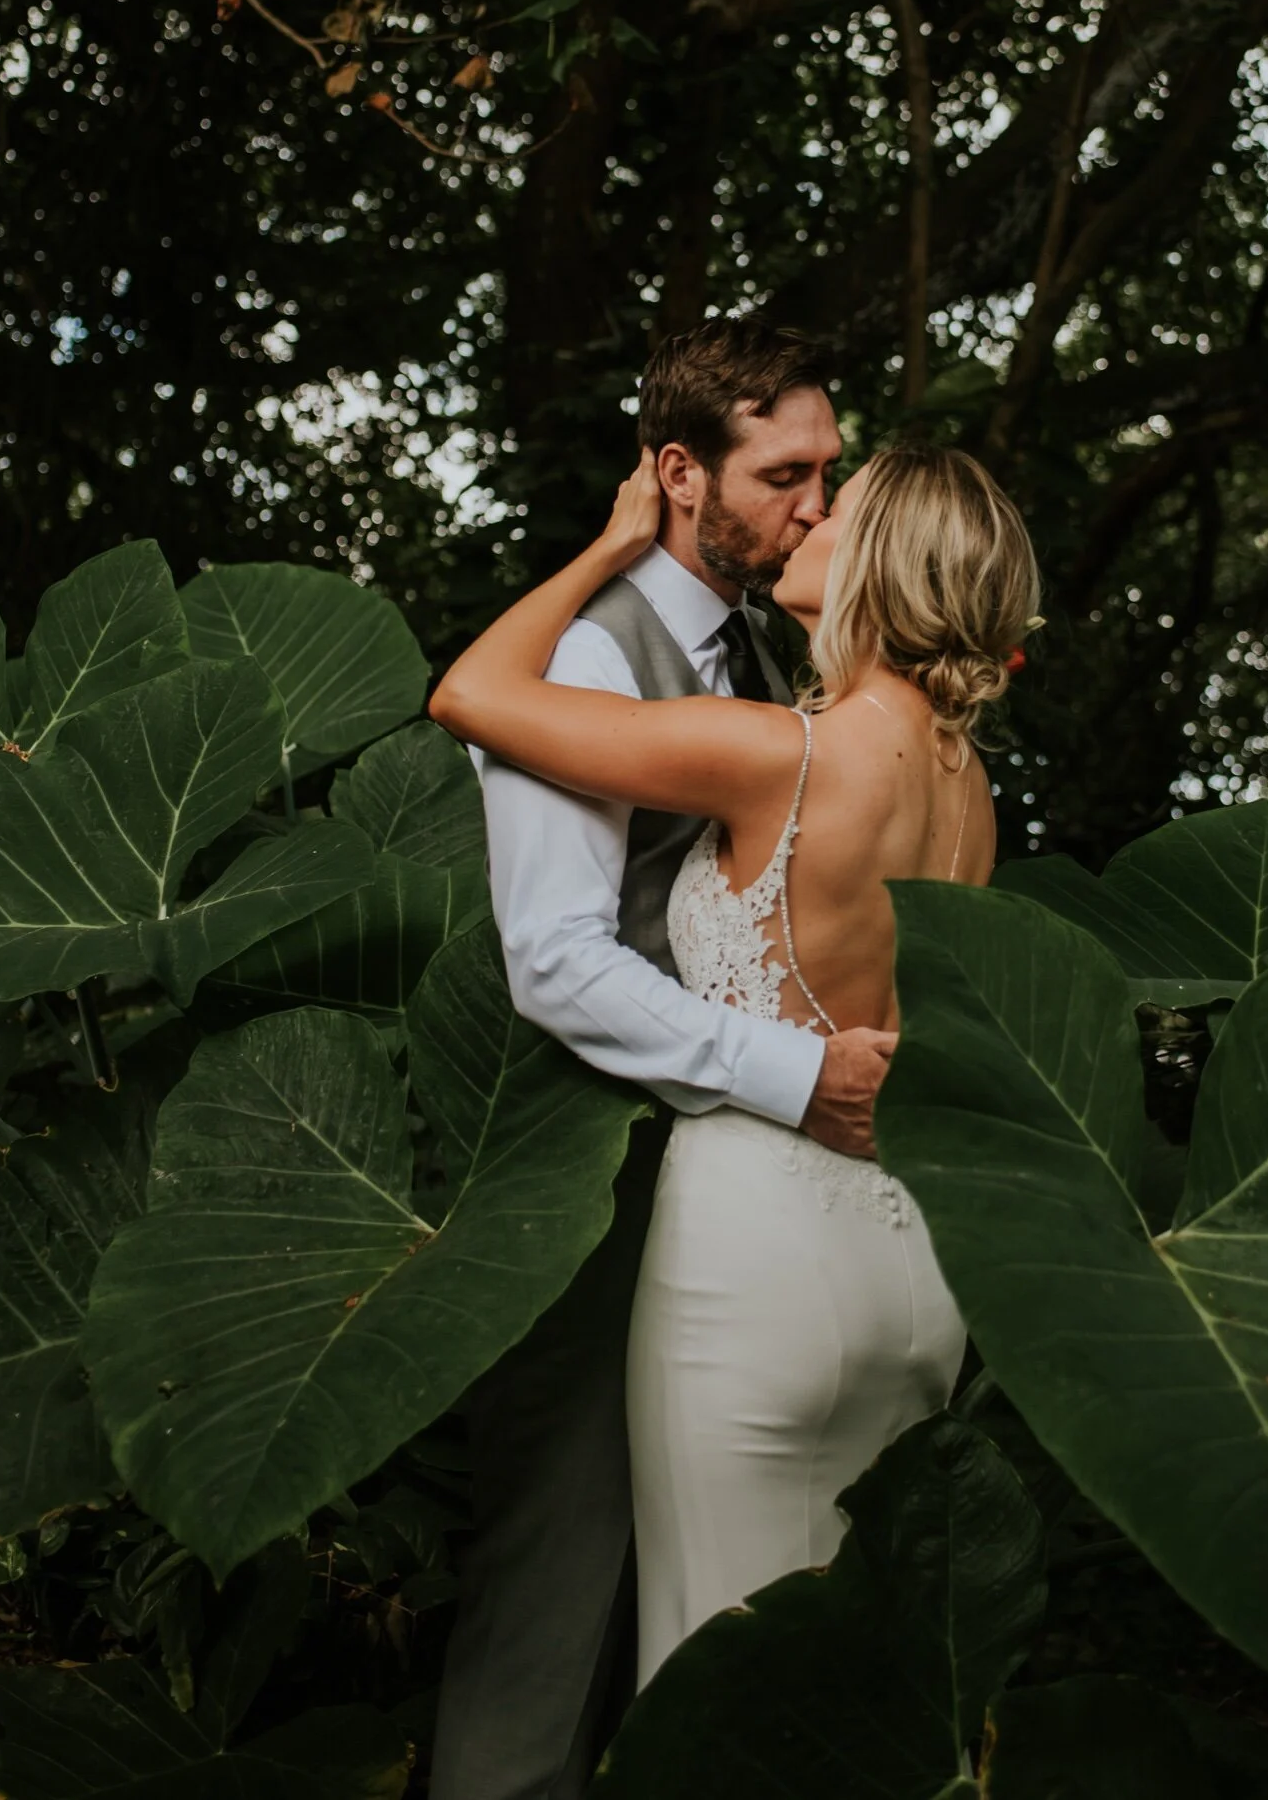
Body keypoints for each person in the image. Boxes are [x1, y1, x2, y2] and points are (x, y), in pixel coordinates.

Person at [433, 423, 1038, 1703]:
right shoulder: (969, 786)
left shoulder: (779, 750)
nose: (808, 522)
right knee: (840, 1691)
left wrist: (607, 547)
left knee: (708, 1684)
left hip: (760, 1255)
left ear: (880, 564)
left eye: (839, 511)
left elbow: (471, 694)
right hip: (912, 1264)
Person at [426, 319, 894, 1800]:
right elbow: (555, 956)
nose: (820, 503)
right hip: (584, 1171)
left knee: (682, 1599)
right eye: (786, 473)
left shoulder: (763, 648)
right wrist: (789, 1075)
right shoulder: (584, 651)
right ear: (680, 473)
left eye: (829, 470)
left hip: (719, 1194)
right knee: (560, 1584)